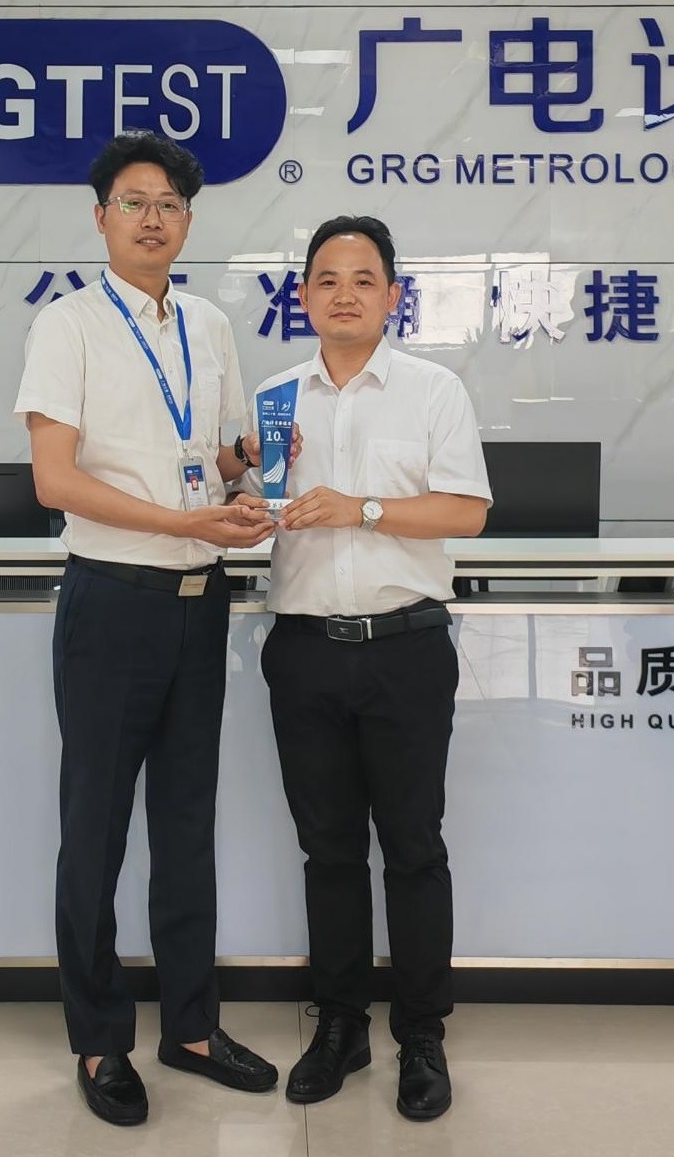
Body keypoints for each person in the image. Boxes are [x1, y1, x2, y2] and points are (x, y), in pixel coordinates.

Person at [13, 132, 279, 1127]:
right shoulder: (68, 325)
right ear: (101, 218)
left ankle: (193, 1026)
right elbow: (55, 479)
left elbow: (220, 456)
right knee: (95, 827)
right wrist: (182, 520)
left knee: (186, 819)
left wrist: (251, 473)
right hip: (112, 601)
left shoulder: (210, 324)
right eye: (134, 201)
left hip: (199, 603)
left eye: (169, 203)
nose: (153, 218)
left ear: (189, 221)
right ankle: (98, 1038)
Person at [247, 215, 491, 1121]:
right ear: (302, 296)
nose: (343, 294)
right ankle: (341, 1024)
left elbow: (466, 512)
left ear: (393, 295)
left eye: (362, 279)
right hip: (304, 649)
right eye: (326, 278)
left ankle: (421, 1034)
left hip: (406, 649)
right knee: (329, 849)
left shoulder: (433, 390)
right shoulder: (276, 397)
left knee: (415, 847)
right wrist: (242, 499)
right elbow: (261, 508)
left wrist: (365, 507)